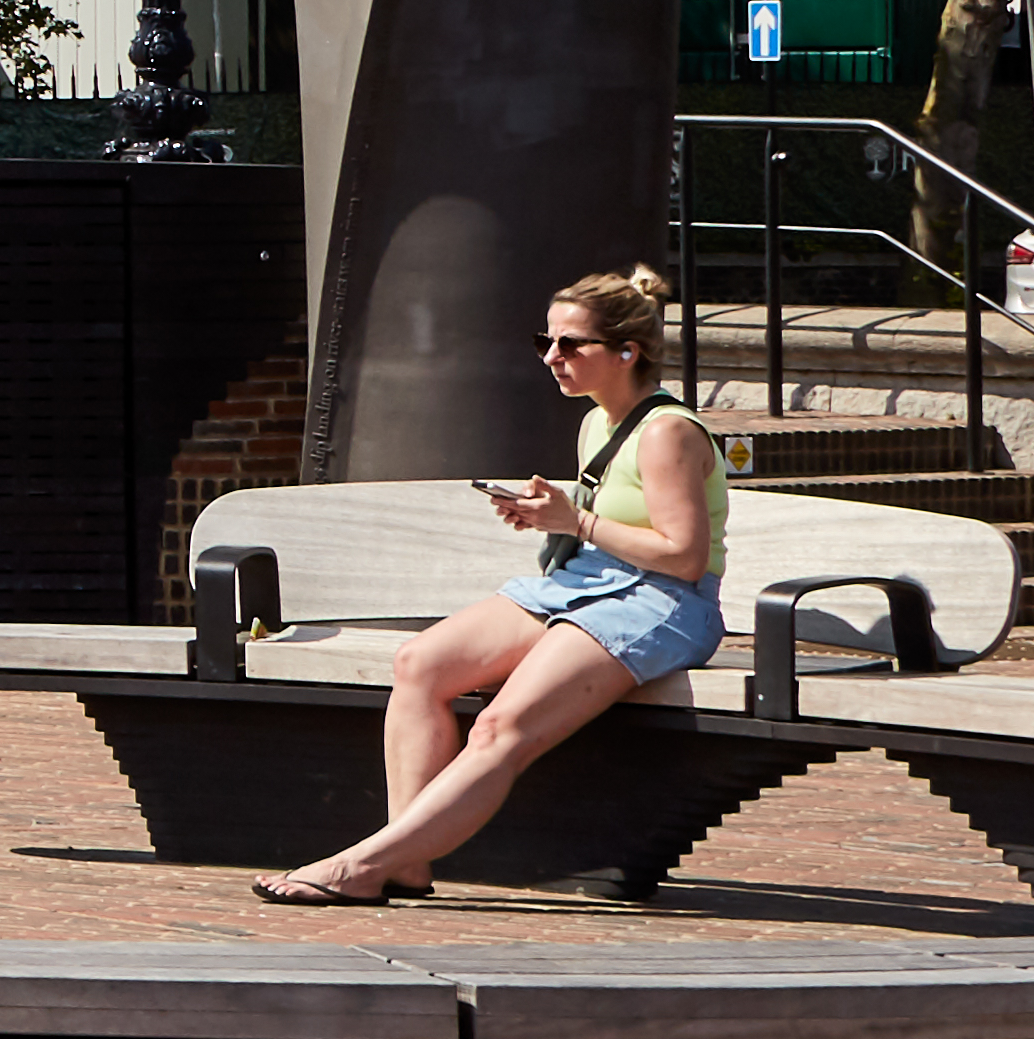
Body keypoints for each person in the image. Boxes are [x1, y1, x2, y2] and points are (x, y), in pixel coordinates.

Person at [260, 263, 724, 905]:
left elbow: (684, 558)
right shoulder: (598, 420)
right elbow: (601, 528)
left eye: (570, 345)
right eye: (545, 343)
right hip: (586, 584)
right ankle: (406, 863)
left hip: (659, 603)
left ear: (627, 351)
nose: (552, 358)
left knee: (500, 726)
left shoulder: (668, 432)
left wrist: (576, 520)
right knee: (420, 662)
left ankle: (361, 864)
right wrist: (551, 519)